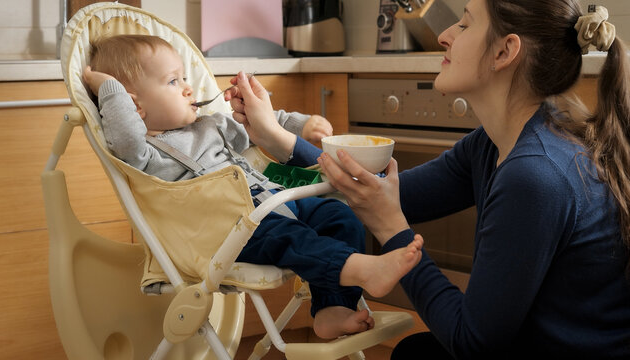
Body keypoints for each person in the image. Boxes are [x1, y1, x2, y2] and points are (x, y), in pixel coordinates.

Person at [316, 0, 630, 358]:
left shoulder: (534, 175)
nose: (444, 35)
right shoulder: (498, 142)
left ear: (504, 51)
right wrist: (278, 138)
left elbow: (472, 343)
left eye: (464, 25)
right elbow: (381, 189)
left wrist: (392, 233)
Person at [83, 34, 422, 339]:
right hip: (225, 231)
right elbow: (124, 135)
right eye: (173, 82)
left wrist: (304, 125)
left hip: (268, 201)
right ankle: (362, 269)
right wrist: (108, 86)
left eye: (184, 78)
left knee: (337, 214)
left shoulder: (210, 123)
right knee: (289, 238)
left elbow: (263, 122)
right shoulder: (144, 152)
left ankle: (333, 307)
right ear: (135, 106)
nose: (188, 88)